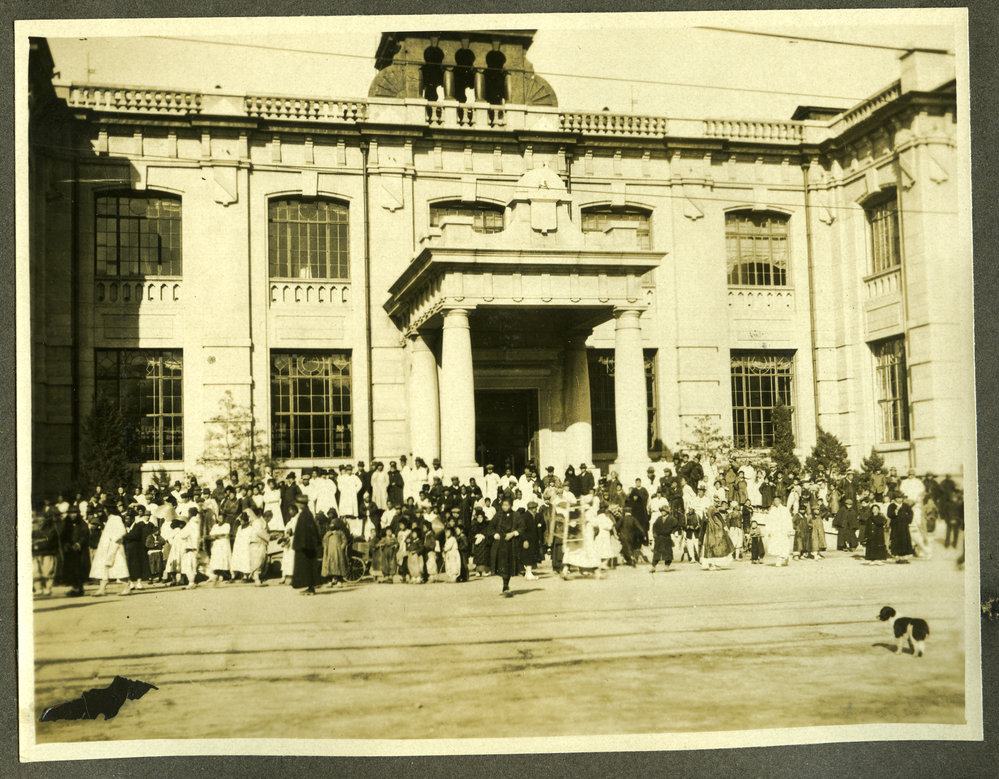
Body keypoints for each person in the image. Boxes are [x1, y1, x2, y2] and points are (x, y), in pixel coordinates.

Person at [90, 506, 129, 596]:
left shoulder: (116, 518)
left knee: (119, 568)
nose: (104, 510)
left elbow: (122, 531)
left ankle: (126, 587)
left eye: (105, 508)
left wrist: (113, 539)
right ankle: (102, 589)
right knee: (105, 568)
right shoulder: (110, 519)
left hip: (115, 548)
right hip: (106, 548)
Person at [291, 497, 322, 594]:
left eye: (298, 503)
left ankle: (311, 588)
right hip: (307, 545)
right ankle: (310, 587)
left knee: (307, 567)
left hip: (305, 546)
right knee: (308, 567)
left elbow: (307, 532)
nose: (298, 505)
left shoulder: (305, 515)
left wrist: (303, 545)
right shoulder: (307, 514)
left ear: (301, 504)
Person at [491, 496, 521, 596]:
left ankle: (506, 585)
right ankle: (505, 584)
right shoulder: (498, 515)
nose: (505, 507)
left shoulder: (516, 515)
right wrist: (495, 534)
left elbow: (522, 527)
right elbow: (490, 527)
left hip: (511, 544)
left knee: (509, 564)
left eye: (507, 505)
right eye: (503, 505)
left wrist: (513, 534)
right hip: (500, 544)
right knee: (502, 564)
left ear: (511, 505)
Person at [121, 508, 153, 594]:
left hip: (137, 549)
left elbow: (134, 536)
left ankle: (139, 582)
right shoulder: (126, 527)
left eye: (128, 518)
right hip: (128, 549)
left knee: (138, 566)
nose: (127, 520)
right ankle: (131, 583)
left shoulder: (138, 526)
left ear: (132, 519)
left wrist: (125, 535)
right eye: (126, 518)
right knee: (129, 566)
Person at [61, 507, 91, 596]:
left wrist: (79, 543)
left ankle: (79, 588)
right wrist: (66, 544)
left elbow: (85, 535)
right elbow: (63, 535)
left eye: (74, 513)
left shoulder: (82, 523)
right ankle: (74, 587)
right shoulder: (66, 523)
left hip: (80, 550)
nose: (72, 515)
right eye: (71, 513)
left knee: (79, 568)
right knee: (71, 568)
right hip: (70, 550)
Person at [32, 510, 60, 596]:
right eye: (39, 520)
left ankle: (48, 588)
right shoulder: (35, 530)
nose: (40, 522)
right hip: (36, 554)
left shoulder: (52, 530)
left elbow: (49, 542)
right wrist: (37, 543)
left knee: (47, 571)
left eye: (42, 520)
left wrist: (36, 544)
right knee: (36, 571)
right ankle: (39, 589)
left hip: (48, 553)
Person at [322, 514, 351, 587]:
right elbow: (324, 541)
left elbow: (344, 541)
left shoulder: (340, 532)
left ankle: (339, 581)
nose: (332, 526)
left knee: (339, 565)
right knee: (330, 566)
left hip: (338, 552)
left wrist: (341, 547)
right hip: (330, 552)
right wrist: (326, 547)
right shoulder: (328, 533)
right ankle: (330, 581)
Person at [765, 497, 794, 566]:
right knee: (777, 546)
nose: (776, 502)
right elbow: (769, 520)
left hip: (783, 531)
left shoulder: (784, 509)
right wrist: (768, 530)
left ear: (780, 501)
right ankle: (779, 559)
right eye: (775, 500)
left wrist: (789, 530)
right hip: (775, 531)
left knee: (783, 545)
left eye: (777, 500)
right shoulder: (772, 510)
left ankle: (784, 557)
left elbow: (788, 520)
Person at [207, 511, 233, 585]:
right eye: (219, 517)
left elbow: (226, 535)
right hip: (216, 545)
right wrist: (218, 536)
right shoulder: (215, 526)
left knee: (224, 559)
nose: (220, 519)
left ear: (224, 518)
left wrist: (216, 536)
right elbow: (211, 535)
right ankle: (217, 575)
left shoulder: (227, 525)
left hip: (224, 544)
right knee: (217, 559)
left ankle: (224, 576)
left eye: (222, 518)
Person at [649, 509, 677, 573]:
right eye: (661, 511)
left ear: (667, 512)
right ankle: (653, 567)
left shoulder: (671, 519)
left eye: (663, 511)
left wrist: (672, 532)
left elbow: (676, 526)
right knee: (656, 553)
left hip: (667, 538)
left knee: (668, 553)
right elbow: (654, 526)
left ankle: (667, 566)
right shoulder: (659, 518)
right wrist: (654, 534)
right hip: (659, 538)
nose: (662, 512)